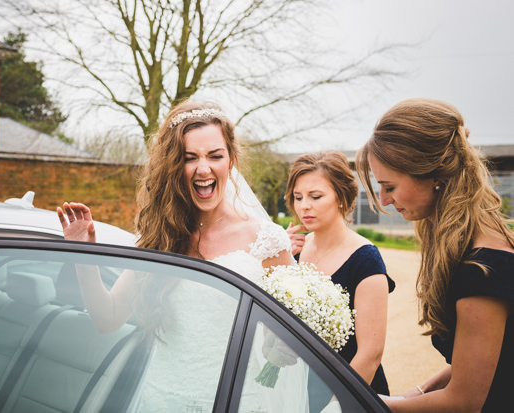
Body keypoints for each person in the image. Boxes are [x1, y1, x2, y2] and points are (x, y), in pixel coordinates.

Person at [57, 100, 301, 412]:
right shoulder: (160, 238)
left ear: (231, 160)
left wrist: (277, 348)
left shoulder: (268, 241)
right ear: (174, 167)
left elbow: (278, 345)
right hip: (163, 398)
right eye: (189, 158)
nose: (203, 168)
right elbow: (108, 318)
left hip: (236, 402)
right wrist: (83, 255)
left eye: (215, 155)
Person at [356, 98, 514, 412]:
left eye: (389, 186)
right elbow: (482, 362)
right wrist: (417, 392)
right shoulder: (466, 242)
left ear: (434, 176)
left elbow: (465, 400)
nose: (385, 201)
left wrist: (374, 407)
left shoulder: (481, 269)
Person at [285, 150, 395, 399]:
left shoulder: (366, 259)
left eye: (315, 196)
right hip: (297, 387)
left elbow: (370, 354)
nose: (304, 206)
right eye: (298, 197)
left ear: (342, 198)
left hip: (350, 390)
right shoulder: (293, 251)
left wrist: (338, 404)